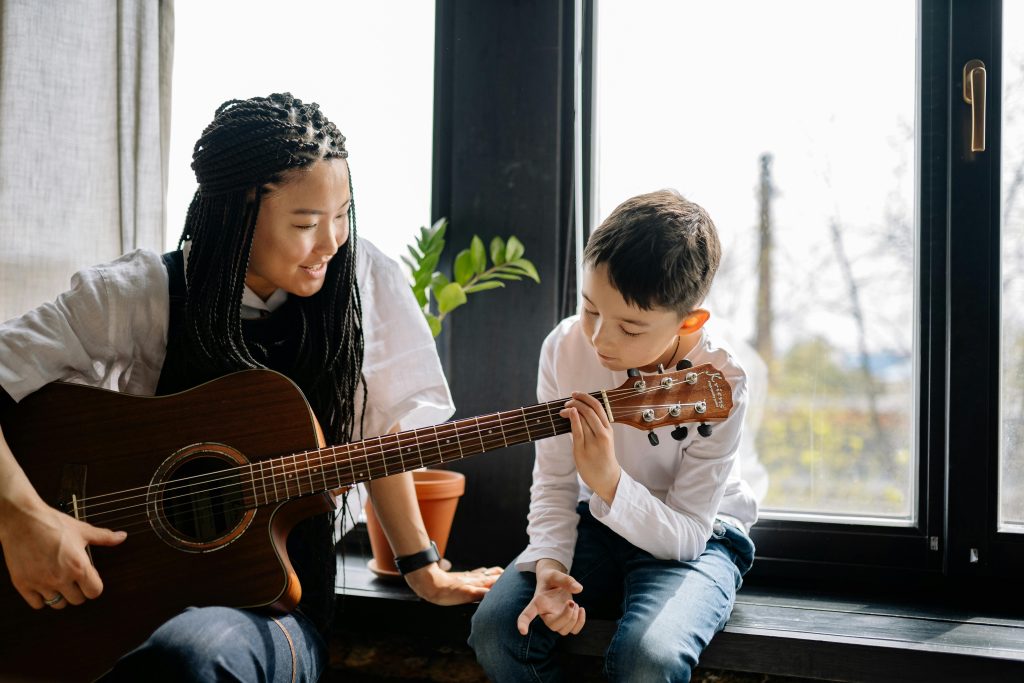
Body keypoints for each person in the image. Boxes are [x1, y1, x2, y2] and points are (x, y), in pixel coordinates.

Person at [0, 92, 499, 682]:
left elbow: (378, 429)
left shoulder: (363, 281)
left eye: (343, 215)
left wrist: (423, 567)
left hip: (272, 615)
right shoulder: (140, 295)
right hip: (123, 594)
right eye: (307, 223)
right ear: (238, 213)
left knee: (190, 655)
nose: (332, 241)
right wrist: (22, 516)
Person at [468, 189, 759, 682]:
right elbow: (556, 482)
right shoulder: (564, 348)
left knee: (648, 659)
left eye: (630, 327)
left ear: (689, 321)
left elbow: (689, 535)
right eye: (589, 309)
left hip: (702, 534)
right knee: (499, 632)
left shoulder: (719, 382)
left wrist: (609, 483)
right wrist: (550, 566)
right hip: (595, 523)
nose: (601, 339)